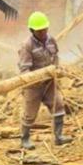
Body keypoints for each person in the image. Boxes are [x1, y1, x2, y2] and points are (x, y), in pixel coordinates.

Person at [18, 11, 73, 150]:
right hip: (33, 85)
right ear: (32, 31)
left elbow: (55, 57)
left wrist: (57, 70)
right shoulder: (27, 45)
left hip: (49, 82)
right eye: (39, 30)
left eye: (45, 29)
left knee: (59, 105)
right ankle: (25, 139)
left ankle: (59, 137)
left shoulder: (51, 40)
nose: (43, 32)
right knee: (30, 114)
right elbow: (24, 69)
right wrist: (34, 80)